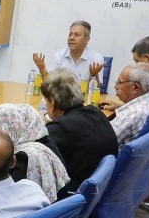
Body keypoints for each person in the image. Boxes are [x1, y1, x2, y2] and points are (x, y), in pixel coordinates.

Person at [40, 69, 119, 199]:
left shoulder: (60, 129)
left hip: (74, 195)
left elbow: (35, 152)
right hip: (102, 189)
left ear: (52, 103)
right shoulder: (95, 112)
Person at [0, 103, 69, 202]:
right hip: (56, 208)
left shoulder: (24, 158)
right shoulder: (46, 142)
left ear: (10, 129)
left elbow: (4, 195)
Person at [33, 20, 105, 84]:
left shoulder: (96, 59)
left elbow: (98, 89)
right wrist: (42, 68)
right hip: (61, 94)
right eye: (70, 34)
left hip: (83, 95)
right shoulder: (59, 55)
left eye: (77, 35)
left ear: (86, 39)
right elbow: (49, 83)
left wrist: (93, 76)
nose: (71, 38)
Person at [105, 63, 149, 145]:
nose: (115, 87)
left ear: (135, 87)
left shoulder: (131, 115)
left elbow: (99, 141)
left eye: (119, 82)